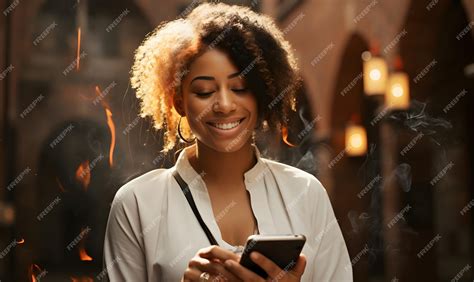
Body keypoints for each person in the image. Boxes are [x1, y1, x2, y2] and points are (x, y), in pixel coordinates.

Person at [103, 2, 352, 281]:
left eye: (240, 88)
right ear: (179, 102)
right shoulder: (137, 203)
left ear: (260, 96)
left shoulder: (306, 194)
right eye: (204, 91)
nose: (223, 105)